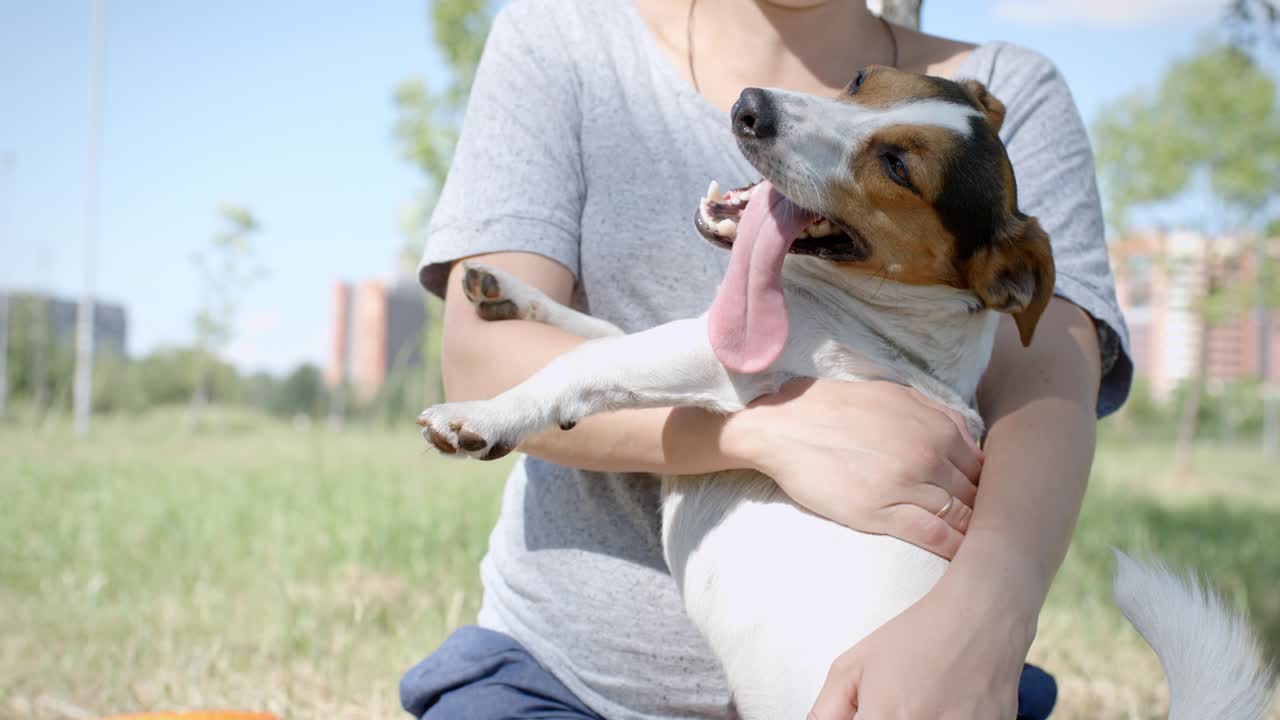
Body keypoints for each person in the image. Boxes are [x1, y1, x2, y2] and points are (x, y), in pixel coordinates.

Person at [399, 0, 1132, 718]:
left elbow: (1050, 388)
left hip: (899, 689)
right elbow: (481, 368)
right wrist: (766, 432)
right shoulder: (561, 37)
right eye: (855, 88)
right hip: (563, 684)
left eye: (897, 164)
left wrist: (986, 620)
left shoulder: (1014, 96)